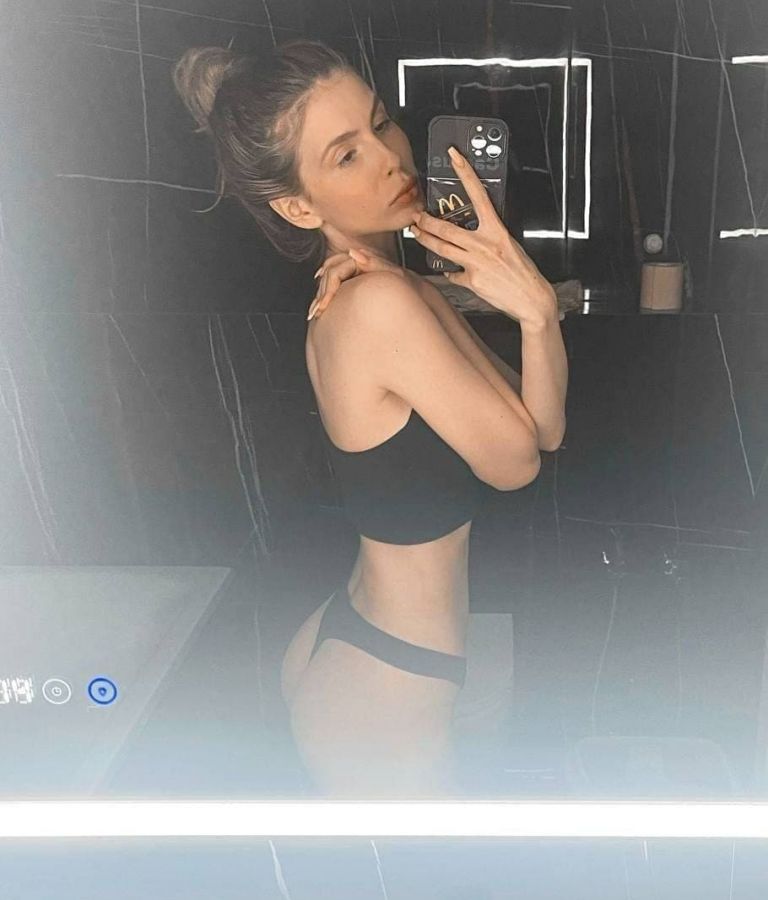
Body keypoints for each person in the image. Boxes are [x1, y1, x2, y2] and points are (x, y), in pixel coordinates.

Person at [173, 38, 567, 798]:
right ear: (298, 206)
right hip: (388, 676)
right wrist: (531, 305)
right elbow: (517, 465)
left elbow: (540, 428)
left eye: (382, 124)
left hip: (377, 643)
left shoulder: (385, 286)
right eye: (347, 155)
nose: (391, 158)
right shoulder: (378, 302)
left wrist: (536, 314)